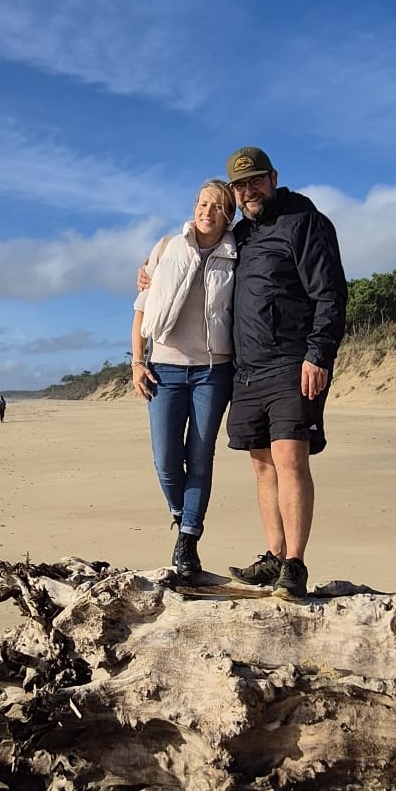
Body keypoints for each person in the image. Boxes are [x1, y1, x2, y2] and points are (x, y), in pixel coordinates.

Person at [222, 146, 347, 600]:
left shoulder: (305, 221)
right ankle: (273, 557)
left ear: (273, 177)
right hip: (247, 370)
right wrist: (149, 272)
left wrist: (319, 354)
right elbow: (197, 261)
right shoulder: (241, 235)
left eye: (255, 181)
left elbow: (330, 293)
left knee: (291, 459)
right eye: (239, 186)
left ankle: (294, 564)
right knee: (262, 468)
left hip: (293, 362)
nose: (248, 191)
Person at [131, 179, 238, 580]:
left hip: (214, 370)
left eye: (217, 205)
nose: (207, 211)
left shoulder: (236, 253)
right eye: (202, 203)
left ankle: (188, 538)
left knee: (200, 454)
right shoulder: (166, 248)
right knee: (165, 460)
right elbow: (141, 311)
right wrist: (137, 363)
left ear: (228, 214)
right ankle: (181, 513)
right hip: (165, 368)